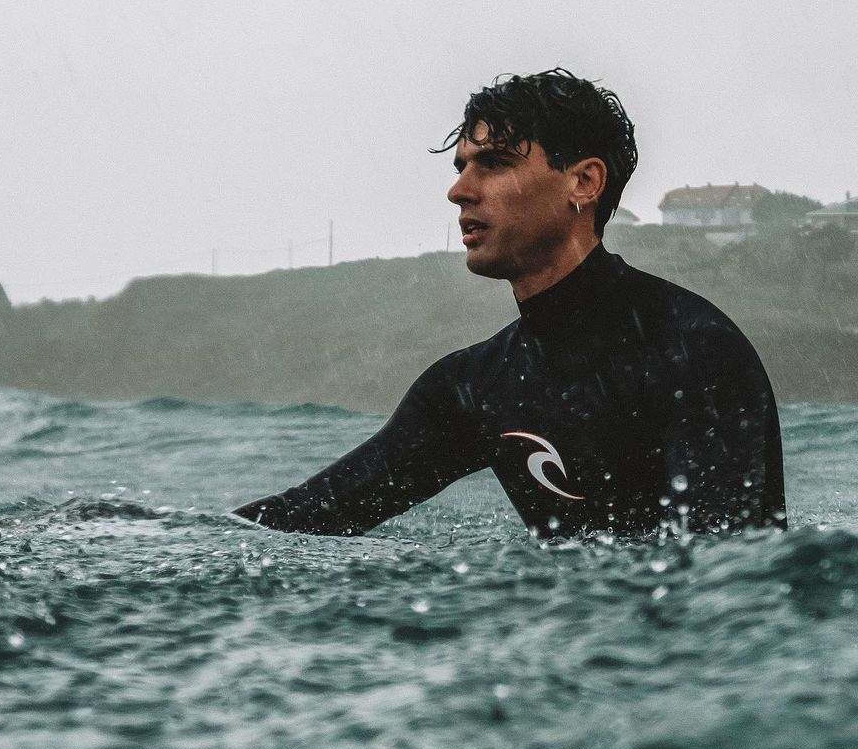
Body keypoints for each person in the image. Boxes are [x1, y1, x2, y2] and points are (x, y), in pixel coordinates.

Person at [234, 69, 786, 539]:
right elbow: (293, 523)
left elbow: (727, 584)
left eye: (494, 163)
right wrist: (155, 537)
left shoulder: (693, 348)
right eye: (461, 167)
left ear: (584, 182)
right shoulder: (475, 387)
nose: (460, 190)